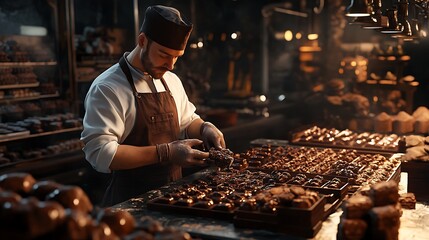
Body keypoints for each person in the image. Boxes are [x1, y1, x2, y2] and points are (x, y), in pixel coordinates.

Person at [80, 5, 226, 207]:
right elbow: (101, 154)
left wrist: (203, 127)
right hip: (129, 204)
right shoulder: (108, 88)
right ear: (142, 41)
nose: (171, 65)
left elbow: (186, 120)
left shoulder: (172, 80)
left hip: (173, 198)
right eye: (164, 55)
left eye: (177, 57)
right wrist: (165, 152)